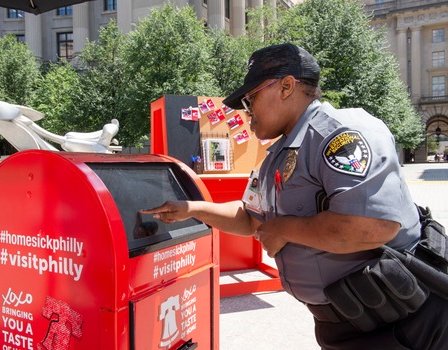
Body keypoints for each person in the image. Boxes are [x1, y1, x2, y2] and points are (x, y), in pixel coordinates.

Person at [141, 43, 448, 349]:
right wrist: (192, 208)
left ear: (286, 86)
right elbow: (251, 218)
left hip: (402, 321)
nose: (247, 113)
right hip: (350, 321)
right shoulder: (278, 153)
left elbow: (371, 226)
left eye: (250, 99)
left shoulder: (339, 135)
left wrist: (282, 229)